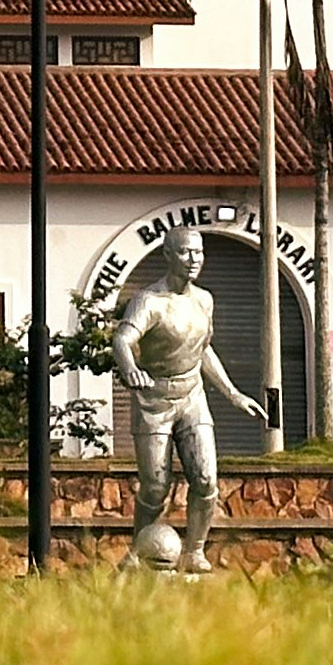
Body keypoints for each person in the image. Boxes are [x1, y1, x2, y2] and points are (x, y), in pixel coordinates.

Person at [112, 230, 245, 573]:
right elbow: (123, 339)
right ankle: (140, 552)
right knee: (155, 486)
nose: (194, 260)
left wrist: (232, 393)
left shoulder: (204, 300)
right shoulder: (149, 300)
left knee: (205, 479)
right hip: (154, 401)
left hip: (193, 396)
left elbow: (203, 351)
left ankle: (195, 551)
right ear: (168, 255)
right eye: (186, 253)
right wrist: (130, 369)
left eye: (199, 253)